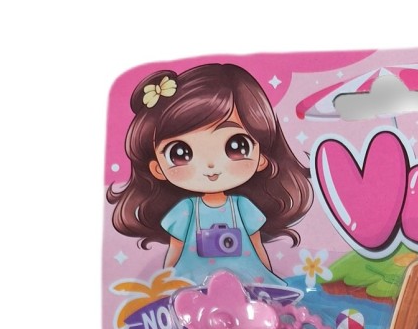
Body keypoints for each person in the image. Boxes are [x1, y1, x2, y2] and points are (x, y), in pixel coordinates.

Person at [109, 63, 311, 284]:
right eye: (180, 153)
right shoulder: (185, 211)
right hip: (192, 278)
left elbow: (256, 246)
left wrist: (268, 278)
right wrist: (168, 283)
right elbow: (175, 250)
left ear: (262, 157)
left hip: (247, 276)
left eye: (236, 146)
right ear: (158, 168)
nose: (211, 165)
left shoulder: (243, 207)